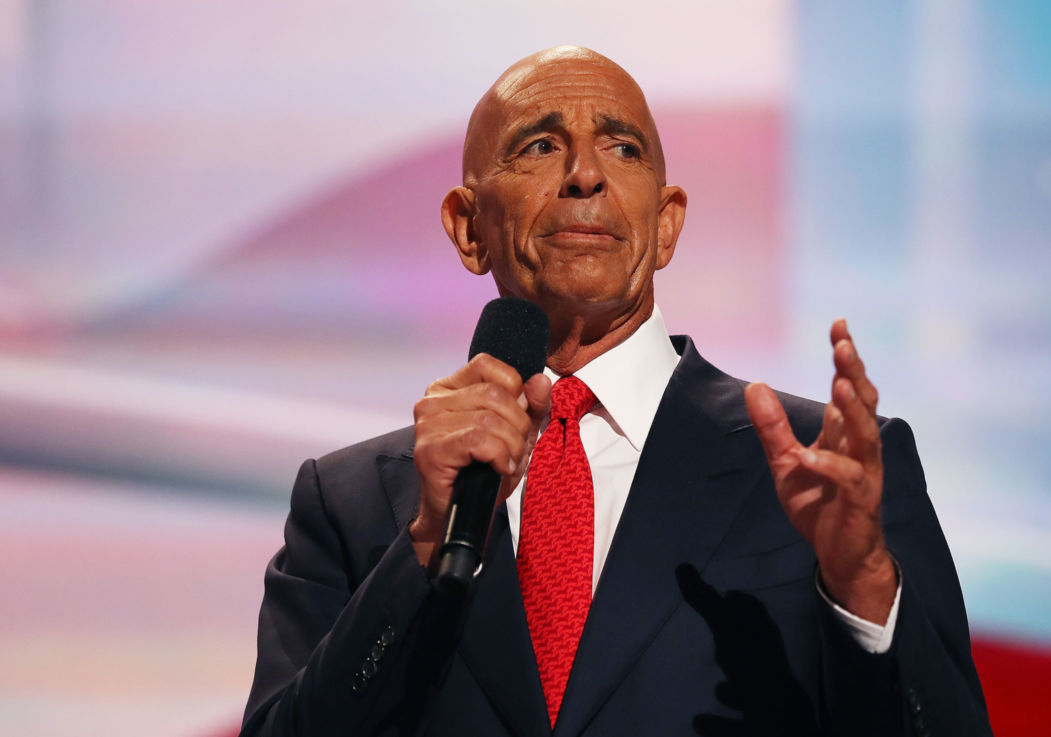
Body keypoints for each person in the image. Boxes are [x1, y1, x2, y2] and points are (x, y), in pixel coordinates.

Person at [240, 46, 992, 736]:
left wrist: (861, 583)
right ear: (468, 228)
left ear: (666, 226)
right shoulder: (351, 504)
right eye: (540, 145)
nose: (585, 175)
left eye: (622, 148)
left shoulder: (823, 474)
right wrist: (425, 549)